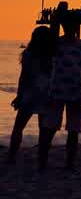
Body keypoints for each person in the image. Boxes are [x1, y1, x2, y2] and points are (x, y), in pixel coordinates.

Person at [36, 15, 81, 171]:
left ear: (76, 28)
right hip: (57, 91)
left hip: (76, 92)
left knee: (73, 130)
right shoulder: (56, 44)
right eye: (67, 26)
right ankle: (43, 161)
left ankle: (69, 163)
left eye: (72, 26)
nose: (70, 29)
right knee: (51, 127)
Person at [8, 26, 55, 165]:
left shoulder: (29, 54)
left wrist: (19, 95)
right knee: (44, 129)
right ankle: (42, 158)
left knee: (18, 126)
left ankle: (12, 156)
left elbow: (24, 77)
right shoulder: (52, 54)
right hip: (46, 93)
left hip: (29, 93)